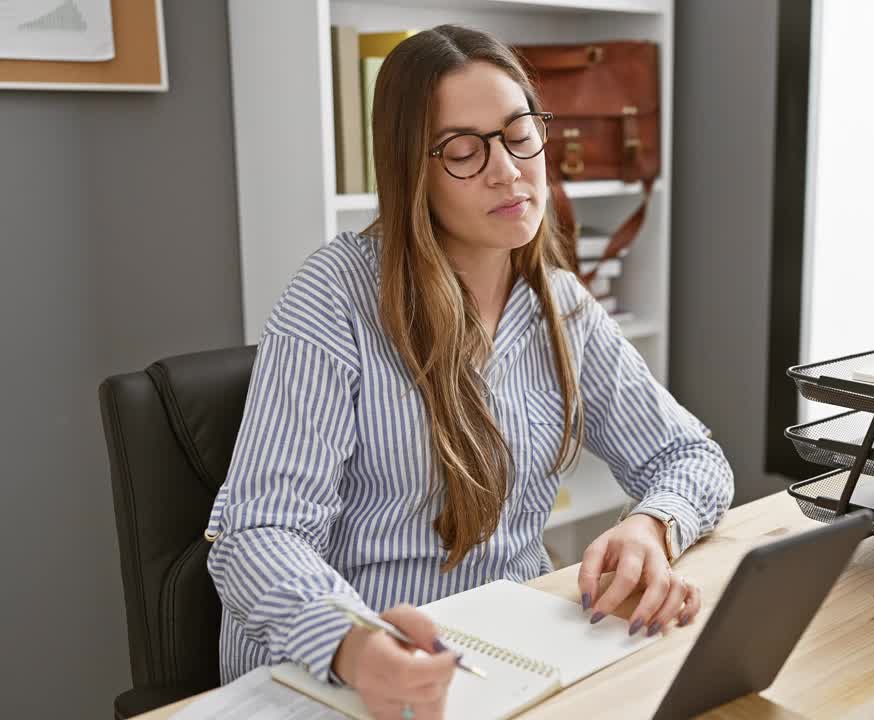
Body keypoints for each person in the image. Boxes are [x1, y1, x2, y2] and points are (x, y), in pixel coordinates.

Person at [203, 24, 734, 720]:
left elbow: (690, 455)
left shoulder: (556, 303)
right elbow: (257, 533)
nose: (508, 170)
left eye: (519, 135)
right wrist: (353, 643)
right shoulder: (333, 298)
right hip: (341, 677)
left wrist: (651, 528)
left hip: (506, 660)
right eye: (462, 151)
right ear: (410, 170)